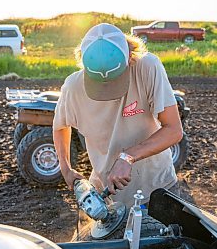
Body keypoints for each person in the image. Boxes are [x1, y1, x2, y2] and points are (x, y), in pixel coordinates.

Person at [53, 23, 183, 208]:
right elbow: (60, 126)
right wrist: (65, 169)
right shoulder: (73, 87)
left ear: (129, 56)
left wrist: (128, 156)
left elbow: (174, 130)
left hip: (157, 190)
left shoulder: (148, 67)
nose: (107, 89)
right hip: (105, 195)